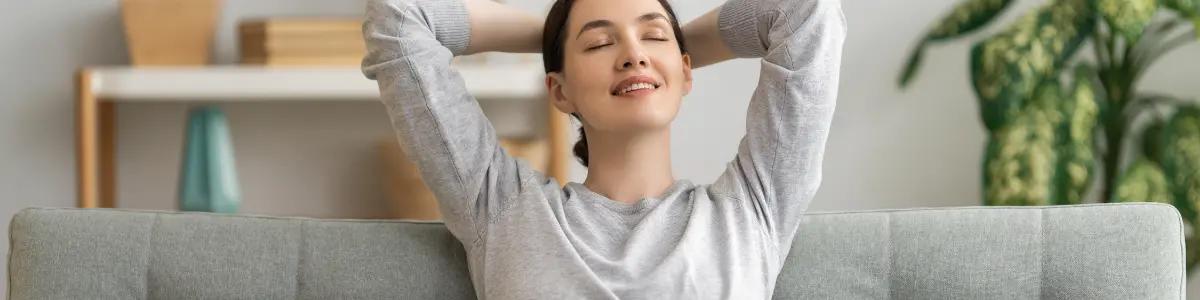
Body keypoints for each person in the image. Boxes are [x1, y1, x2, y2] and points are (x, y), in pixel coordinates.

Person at [361, 0, 846, 297]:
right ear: (559, 91)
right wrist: (552, 33)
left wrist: (673, 51)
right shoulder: (502, 210)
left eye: (652, 37)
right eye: (598, 45)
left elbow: (804, 10)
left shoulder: (753, 209)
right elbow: (400, 16)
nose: (633, 54)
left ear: (686, 71)